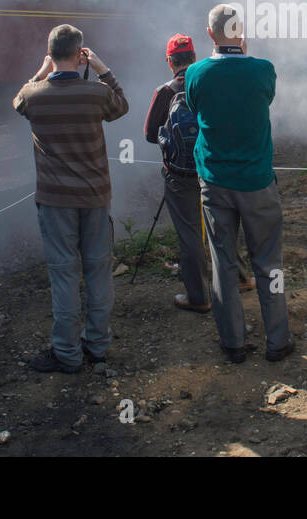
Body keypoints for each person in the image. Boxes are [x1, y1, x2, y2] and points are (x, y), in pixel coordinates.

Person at [13, 24, 129, 373]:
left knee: (63, 274)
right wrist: (103, 70)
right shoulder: (96, 93)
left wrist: (42, 70)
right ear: (81, 55)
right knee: (98, 271)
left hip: (55, 201)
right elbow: (121, 106)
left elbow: (19, 97)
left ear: (51, 55)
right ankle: (97, 346)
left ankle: (66, 353)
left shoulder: (34, 96)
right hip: (94, 197)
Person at [183, 4, 293, 364]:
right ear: (240, 31)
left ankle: (233, 344)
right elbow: (265, 98)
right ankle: (277, 342)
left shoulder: (195, 74)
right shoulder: (263, 70)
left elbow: (195, 106)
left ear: (209, 33)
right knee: (268, 263)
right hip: (257, 182)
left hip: (215, 183)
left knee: (224, 263)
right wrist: (244, 56)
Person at [143, 32, 253, 313]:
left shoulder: (164, 92)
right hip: (212, 167)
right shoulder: (208, 80)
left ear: (170, 61)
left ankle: (199, 296)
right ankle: (240, 278)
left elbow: (149, 135)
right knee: (223, 224)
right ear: (194, 56)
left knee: (189, 233)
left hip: (179, 175)